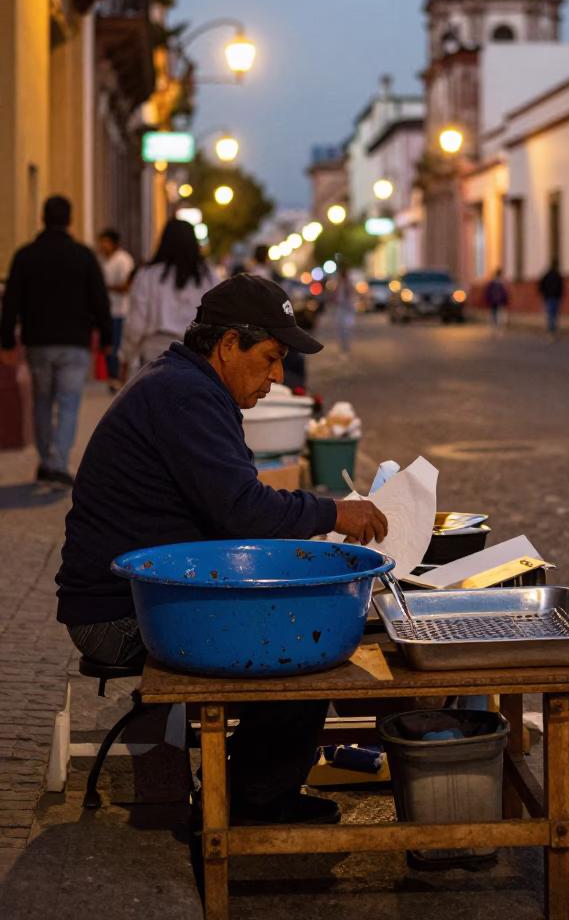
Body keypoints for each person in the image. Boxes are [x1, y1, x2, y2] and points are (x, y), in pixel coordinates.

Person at [55, 273, 388, 826]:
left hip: (142, 594)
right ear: (228, 344)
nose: (278, 376)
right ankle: (254, 804)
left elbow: (235, 510)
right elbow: (244, 511)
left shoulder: (188, 385)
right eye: (271, 357)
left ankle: (250, 787)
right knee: (301, 649)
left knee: (299, 624)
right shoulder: (185, 396)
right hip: (118, 613)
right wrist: (334, 512)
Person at [0, 195, 112, 486]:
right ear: (70, 220)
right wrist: (107, 336)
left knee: (41, 401)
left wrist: (7, 342)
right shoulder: (83, 256)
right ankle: (59, 463)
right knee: (68, 402)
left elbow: (11, 300)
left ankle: (45, 460)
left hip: (37, 341)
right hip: (74, 341)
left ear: (43, 217)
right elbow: (100, 300)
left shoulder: (25, 255)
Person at [121, 218, 217, 375]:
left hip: (156, 355)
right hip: (198, 357)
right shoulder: (208, 277)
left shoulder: (148, 275)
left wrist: (127, 355)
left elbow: (136, 323)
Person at [97, 229, 134, 391]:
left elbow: (127, 285)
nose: (103, 245)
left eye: (106, 242)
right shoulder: (102, 260)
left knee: (117, 346)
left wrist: (105, 288)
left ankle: (117, 377)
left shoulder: (123, 260)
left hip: (120, 311)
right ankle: (111, 378)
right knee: (107, 345)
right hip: (105, 311)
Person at [333, 261, 356, 359]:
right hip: (340, 308)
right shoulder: (338, 282)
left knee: (346, 329)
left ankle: (346, 349)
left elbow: (351, 293)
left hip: (347, 308)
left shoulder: (349, 282)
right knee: (340, 329)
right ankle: (342, 348)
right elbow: (335, 294)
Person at [539, 262, 565, 338]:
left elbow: (541, 285)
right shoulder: (557, 275)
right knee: (555, 314)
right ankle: (554, 329)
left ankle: (552, 330)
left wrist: (544, 294)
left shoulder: (547, 276)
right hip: (555, 297)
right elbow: (561, 287)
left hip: (549, 297)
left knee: (551, 314)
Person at [484, 268, 509, 334]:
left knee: (495, 313)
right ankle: (497, 326)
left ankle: (496, 326)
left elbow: (488, 292)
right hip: (498, 300)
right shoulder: (500, 283)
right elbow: (504, 293)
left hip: (495, 300)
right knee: (498, 313)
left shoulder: (494, 283)